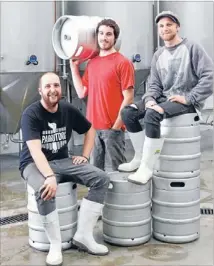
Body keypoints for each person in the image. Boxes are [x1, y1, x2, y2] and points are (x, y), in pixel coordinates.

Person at [19, 72, 110, 266]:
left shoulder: (67, 109)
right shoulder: (31, 114)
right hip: (33, 164)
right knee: (45, 187)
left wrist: (84, 156)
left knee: (101, 178)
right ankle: (55, 244)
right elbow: (35, 152)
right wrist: (50, 176)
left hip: (62, 160)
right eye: (48, 86)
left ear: (61, 88)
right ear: (40, 91)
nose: (53, 90)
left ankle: (84, 236)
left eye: (56, 85)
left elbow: (90, 130)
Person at [118, 11, 213, 184]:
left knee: (152, 115)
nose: (164, 28)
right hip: (164, 99)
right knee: (128, 112)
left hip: (186, 102)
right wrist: (150, 100)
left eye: (169, 24)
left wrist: (190, 97)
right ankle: (139, 158)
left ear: (178, 27)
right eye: (161, 26)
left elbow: (209, 76)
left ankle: (146, 168)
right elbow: (154, 85)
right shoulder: (158, 55)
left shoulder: (192, 47)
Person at [70, 18, 135, 172]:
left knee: (116, 172)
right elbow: (81, 92)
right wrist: (73, 68)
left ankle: (119, 197)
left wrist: (116, 127)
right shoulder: (92, 63)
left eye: (108, 34)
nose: (103, 38)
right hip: (92, 128)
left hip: (112, 128)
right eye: (101, 33)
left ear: (115, 37)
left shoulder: (123, 62)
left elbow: (129, 97)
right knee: (95, 173)